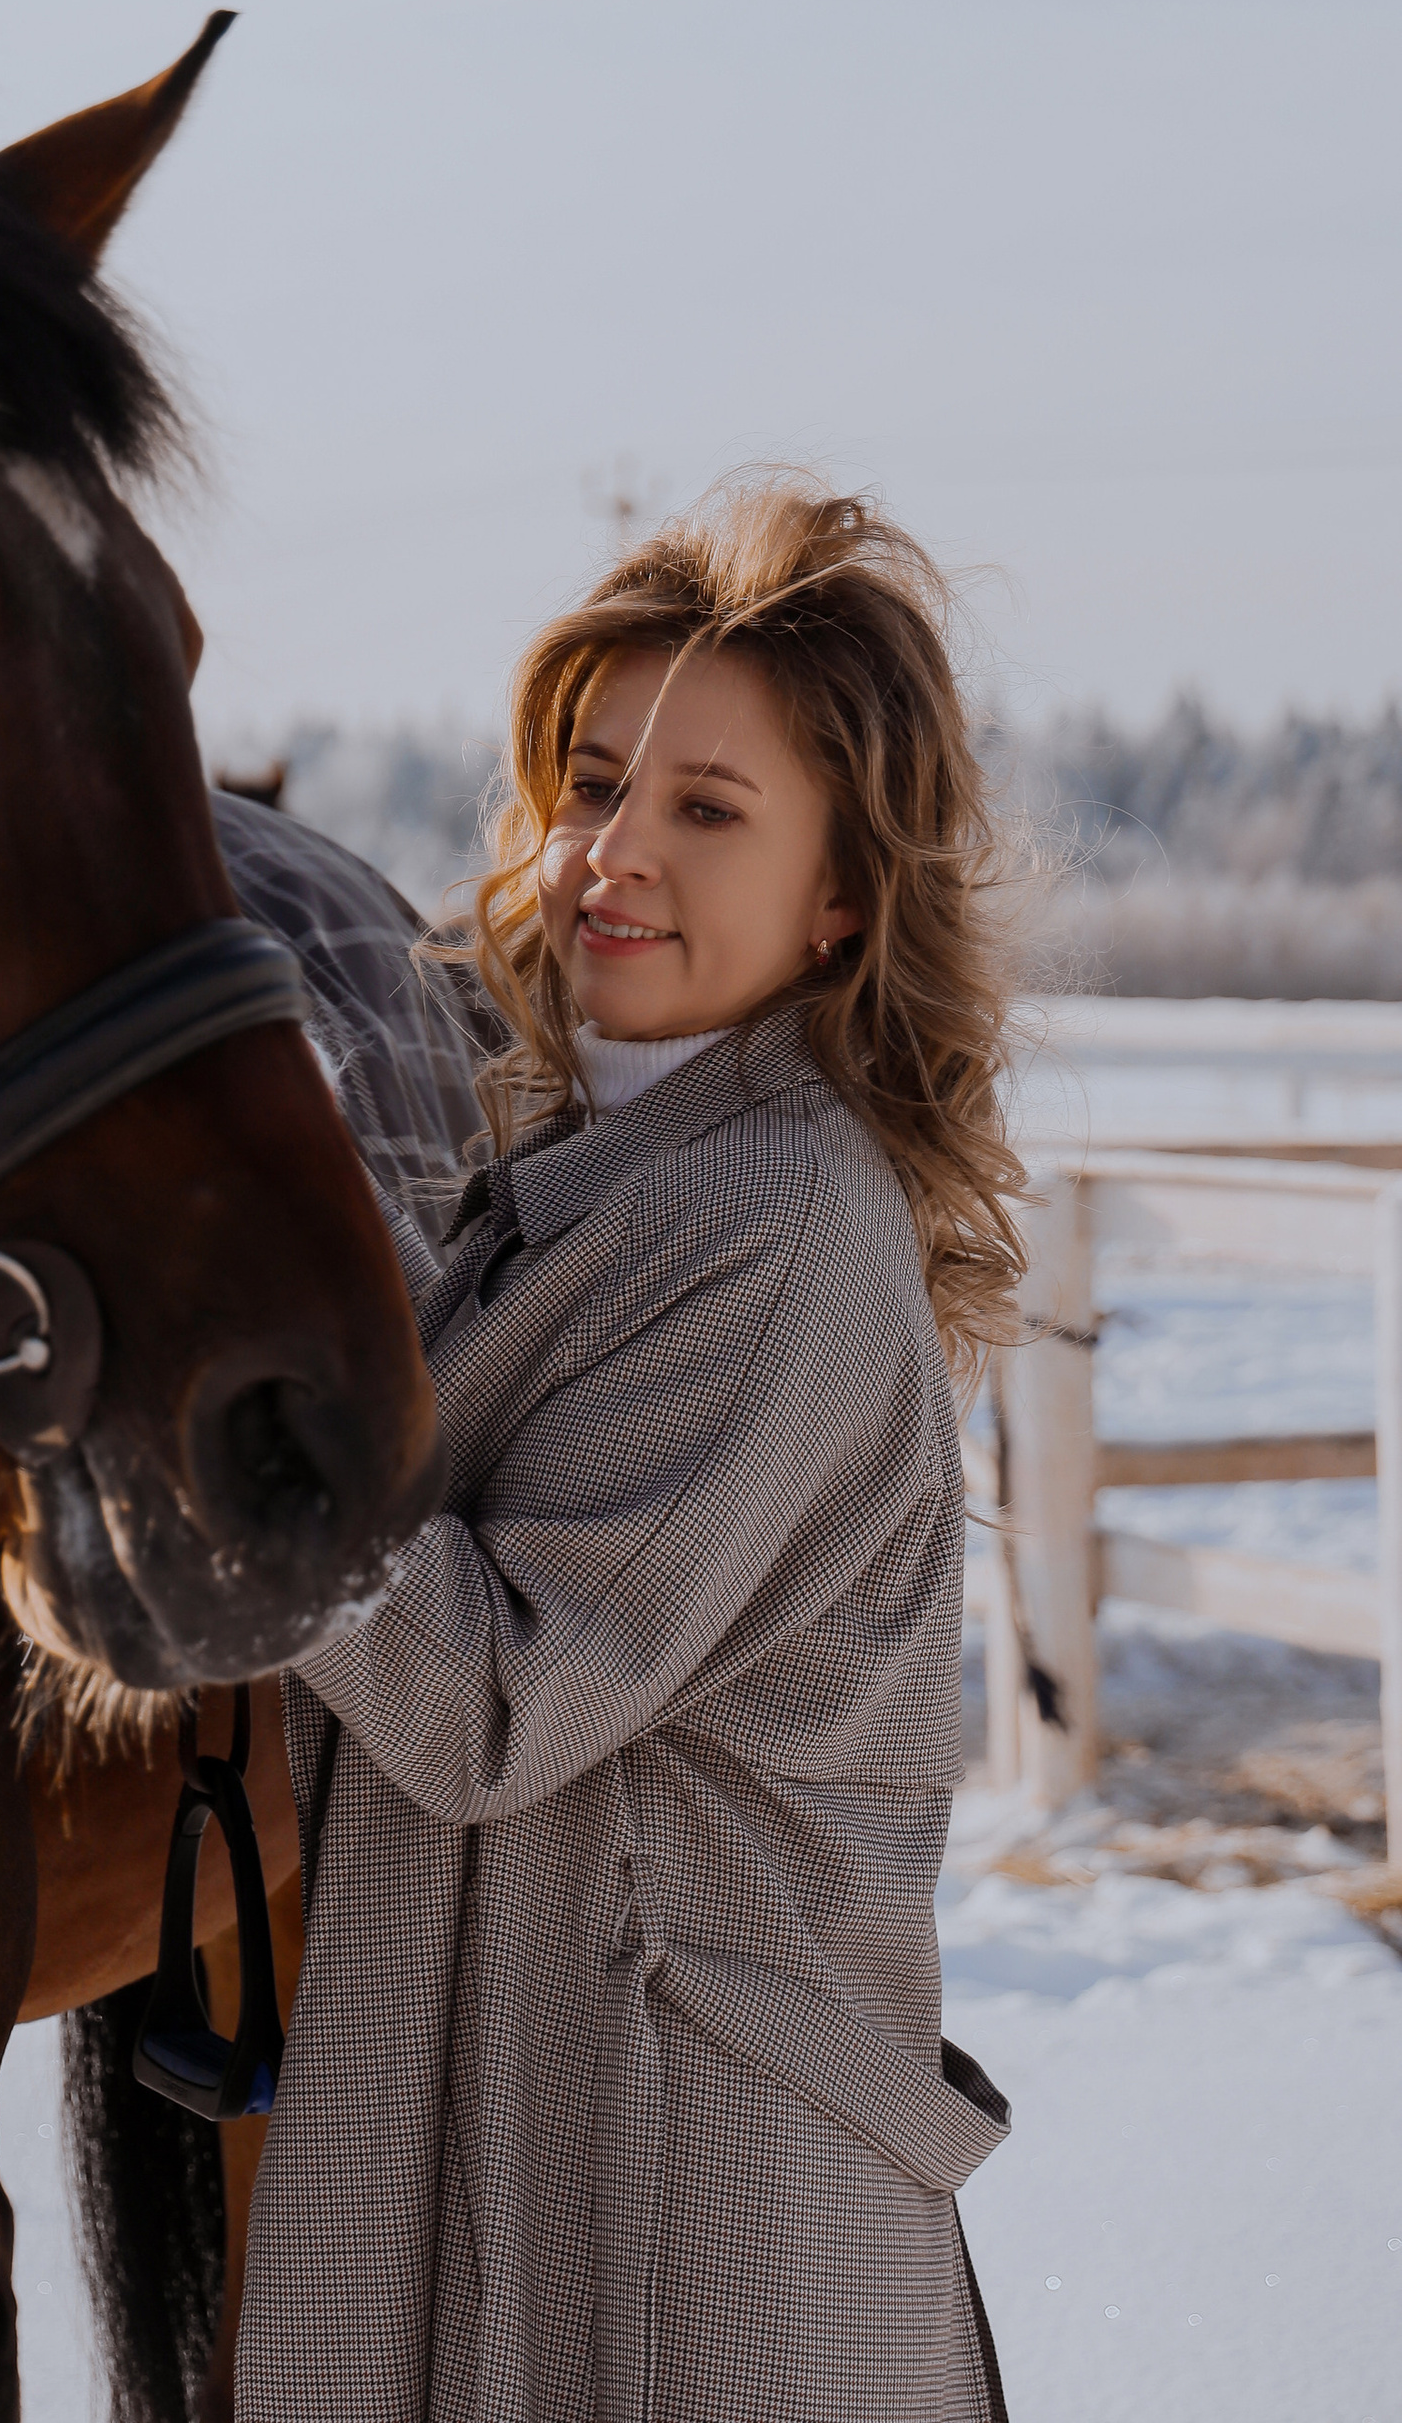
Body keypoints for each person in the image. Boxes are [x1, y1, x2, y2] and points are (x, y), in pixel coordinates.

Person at [234, 479, 1025, 2423]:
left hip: (691, 2199)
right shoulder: (593, 1170)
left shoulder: (771, 1225)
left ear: (840, 893)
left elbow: (500, 1693)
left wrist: (227, 1473)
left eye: (704, 808)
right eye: (591, 785)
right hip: (564, 2092)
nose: (612, 853)